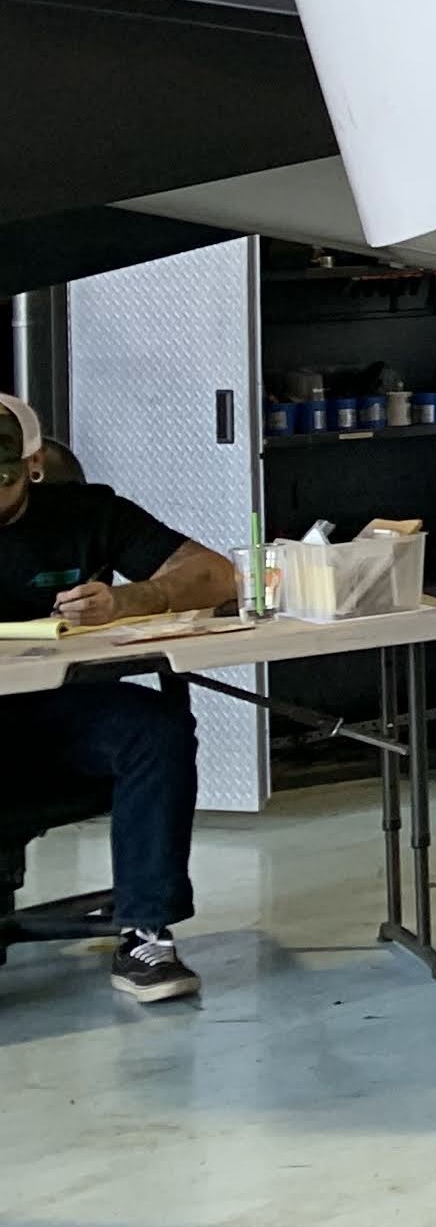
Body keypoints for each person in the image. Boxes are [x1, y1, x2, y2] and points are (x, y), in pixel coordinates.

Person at [0, 392, 239, 1002]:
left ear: (33, 464)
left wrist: (129, 600)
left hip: (62, 711)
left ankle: (144, 933)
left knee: (151, 728)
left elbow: (213, 574)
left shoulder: (86, 512)